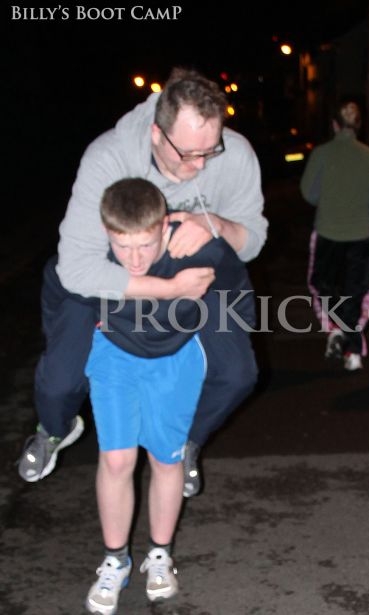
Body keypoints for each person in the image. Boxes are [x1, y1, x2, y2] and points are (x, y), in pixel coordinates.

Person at [18, 67, 267, 496]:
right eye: (188, 153)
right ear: (156, 132)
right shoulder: (110, 158)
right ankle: (54, 431)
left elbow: (253, 240)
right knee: (60, 381)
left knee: (238, 373)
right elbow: (76, 268)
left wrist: (213, 225)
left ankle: (187, 441)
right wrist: (168, 290)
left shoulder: (236, 154)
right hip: (113, 275)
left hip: (194, 279)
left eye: (210, 149)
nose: (200, 164)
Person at [84, 177, 256, 613]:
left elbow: (236, 285)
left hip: (177, 356)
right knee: (118, 459)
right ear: (108, 233)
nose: (135, 259)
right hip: (114, 355)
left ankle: (159, 555)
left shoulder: (194, 246)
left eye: (146, 245)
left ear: (165, 227)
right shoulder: (88, 250)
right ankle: (115, 560)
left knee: (167, 458)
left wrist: (230, 341)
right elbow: (64, 296)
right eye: (124, 248)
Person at [300, 100, 369, 371]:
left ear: (334, 125)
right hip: (362, 234)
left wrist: (331, 197)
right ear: (359, 126)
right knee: (357, 291)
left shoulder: (321, 154)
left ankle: (335, 328)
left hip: (328, 231)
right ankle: (353, 352)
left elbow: (308, 192)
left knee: (323, 285)